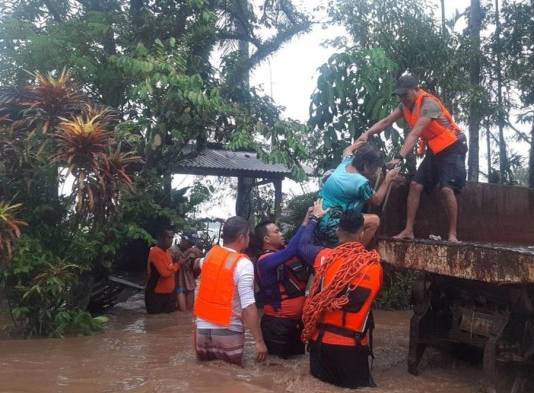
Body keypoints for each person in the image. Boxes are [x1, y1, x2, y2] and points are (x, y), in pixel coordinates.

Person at [358, 74, 467, 242]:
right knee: (416, 185)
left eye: (405, 95)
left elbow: (415, 133)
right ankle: (408, 230)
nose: (403, 99)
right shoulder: (404, 106)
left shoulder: (428, 104)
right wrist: (367, 134)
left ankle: (453, 234)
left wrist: (400, 158)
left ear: (416, 90)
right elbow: (386, 121)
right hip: (435, 147)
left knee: (446, 188)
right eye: (400, 96)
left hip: (453, 145)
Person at [298, 209, 383, 389]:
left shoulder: (323, 257)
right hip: (351, 352)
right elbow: (374, 221)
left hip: (319, 347)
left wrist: (313, 218)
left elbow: (302, 245)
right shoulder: (374, 267)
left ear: (337, 231)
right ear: (362, 233)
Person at [254, 202, 327, 358]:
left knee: (293, 367)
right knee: (276, 371)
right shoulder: (264, 261)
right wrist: (314, 220)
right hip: (277, 325)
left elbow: (295, 244)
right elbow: (292, 249)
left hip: (294, 324)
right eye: (277, 231)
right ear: (267, 238)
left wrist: (306, 220)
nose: (281, 234)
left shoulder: (281, 254)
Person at [194, 216, 267, 366]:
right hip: (228, 332)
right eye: (248, 235)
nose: (249, 239)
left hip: (201, 332)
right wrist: (259, 341)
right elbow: (248, 306)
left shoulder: (209, 256)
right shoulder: (243, 263)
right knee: (231, 382)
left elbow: (197, 264)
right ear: (242, 237)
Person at [317, 141, 400, 247]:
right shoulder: (360, 183)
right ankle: (355, 253)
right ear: (365, 165)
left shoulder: (346, 162)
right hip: (332, 225)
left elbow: (347, 150)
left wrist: (360, 143)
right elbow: (377, 200)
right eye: (374, 168)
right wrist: (388, 179)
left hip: (319, 216)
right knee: (374, 221)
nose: (375, 172)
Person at [145, 228, 180, 314]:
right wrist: (177, 265)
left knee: (166, 323)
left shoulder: (167, 252)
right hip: (156, 295)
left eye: (172, 238)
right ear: (161, 238)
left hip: (168, 294)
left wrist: (174, 265)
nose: (171, 240)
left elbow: (169, 268)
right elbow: (165, 273)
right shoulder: (155, 252)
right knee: (155, 323)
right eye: (169, 238)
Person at [171, 235, 202, 311]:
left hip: (190, 284)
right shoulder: (173, 250)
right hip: (179, 283)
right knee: (182, 311)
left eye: (191, 243)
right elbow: (173, 266)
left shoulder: (194, 251)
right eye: (183, 241)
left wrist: (194, 259)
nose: (189, 245)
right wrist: (188, 257)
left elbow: (196, 270)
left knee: (189, 311)